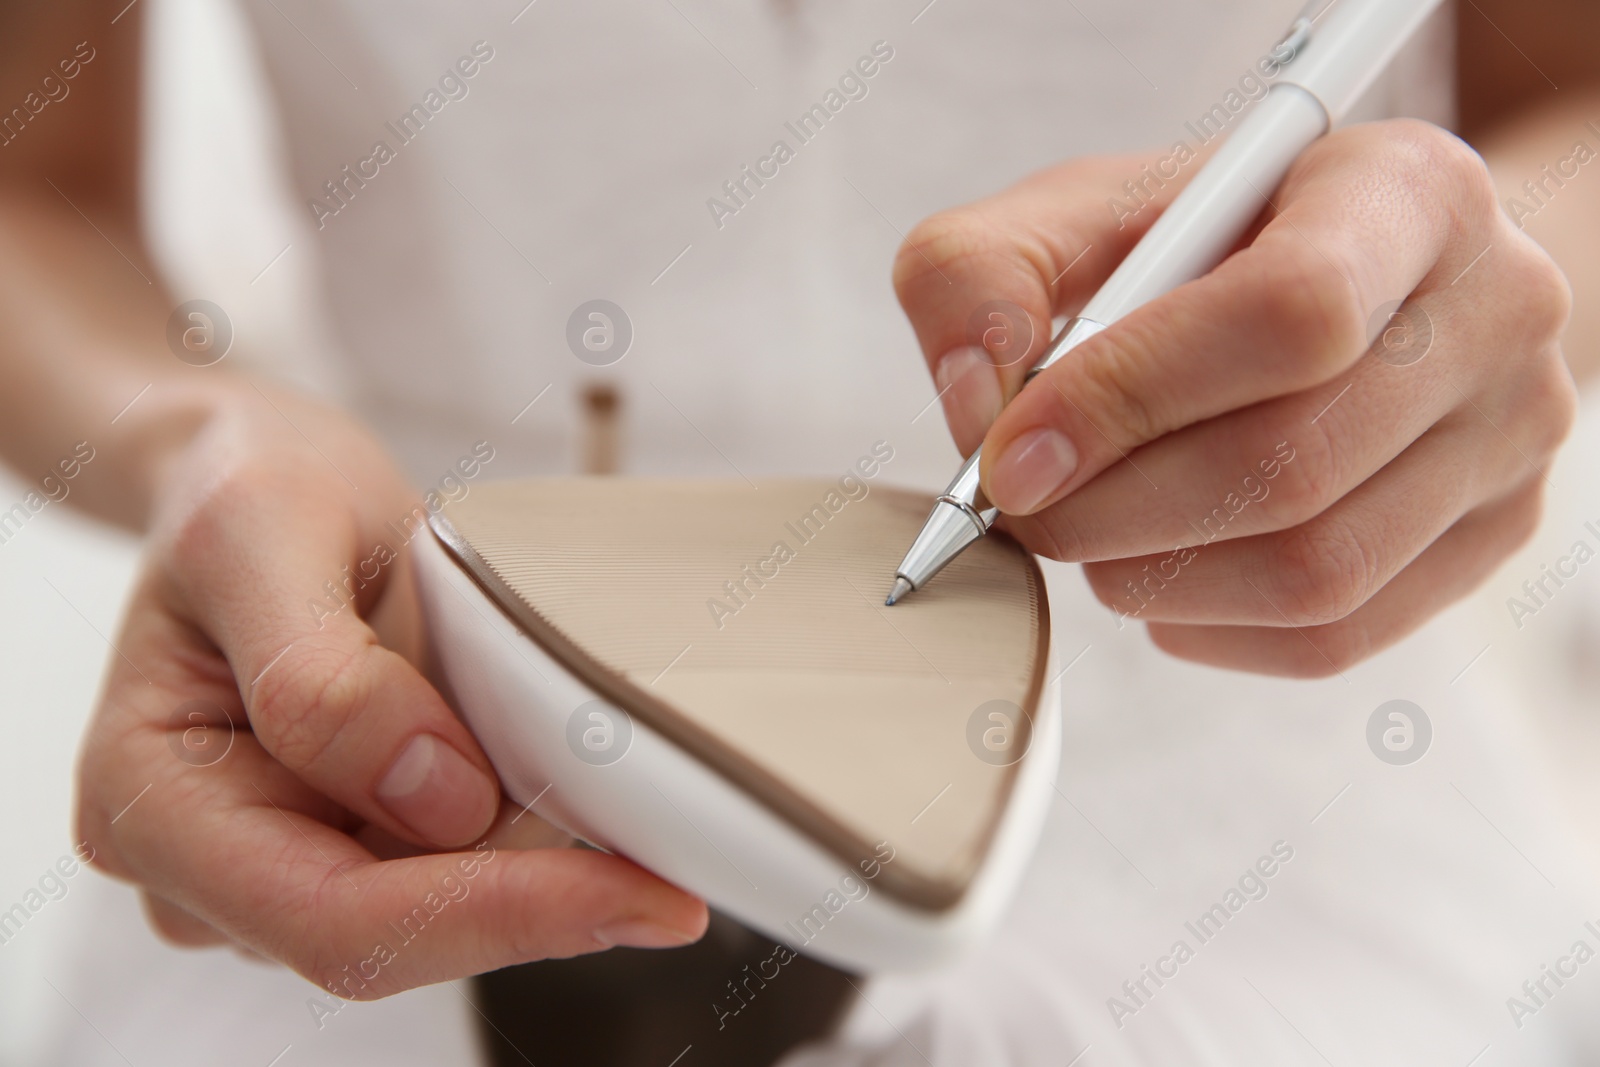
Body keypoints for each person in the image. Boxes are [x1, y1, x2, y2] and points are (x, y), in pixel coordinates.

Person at [3, 0, 1599, 1063]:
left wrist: (1452, 287)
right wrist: (199, 434)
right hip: (414, 693)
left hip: (1245, 757)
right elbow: (31, 189)